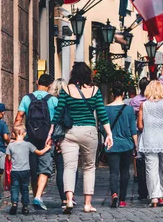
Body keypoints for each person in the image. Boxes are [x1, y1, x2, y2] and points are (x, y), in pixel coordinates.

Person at [49, 62, 113, 214]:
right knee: (89, 167)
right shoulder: (95, 90)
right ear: (88, 74)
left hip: (70, 132)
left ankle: (69, 199)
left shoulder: (66, 89)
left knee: (69, 167)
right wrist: (109, 134)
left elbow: (58, 113)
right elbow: (102, 114)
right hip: (89, 131)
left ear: (73, 74)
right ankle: (87, 204)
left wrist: (50, 132)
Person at [13, 73, 57, 210]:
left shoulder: (27, 98)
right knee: (44, 168)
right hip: (47, 139)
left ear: (37, 82)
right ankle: (38, 196)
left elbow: (19, 118)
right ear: (50, 85)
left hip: (30, 139)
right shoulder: (53, 100)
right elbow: (57, 121)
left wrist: (15, 136)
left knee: (32, 169)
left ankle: (34, 195)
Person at [137, 80, 163, 207]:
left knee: (151, 169)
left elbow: (140, 126)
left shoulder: (144, 105)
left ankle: (154, 197)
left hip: (150, 141)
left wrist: (151, 126)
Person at [6, 126, 52, 215]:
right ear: (25, 134)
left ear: (13, 134)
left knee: (14, 188)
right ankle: (25, 207)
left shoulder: (10, 145)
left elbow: (8, 158)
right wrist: (47, 148)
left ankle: (14, 204)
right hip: (25, 171)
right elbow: (39, 152)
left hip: (15, 171)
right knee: (25, 189)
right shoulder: (28, 144)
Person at [105, 82, 138, 208]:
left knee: (113, 172)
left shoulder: (106, 109)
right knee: (125, 172)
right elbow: (133, 130)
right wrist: (136, 145)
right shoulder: (129, 109)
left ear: (112, 93)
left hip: (111, 145)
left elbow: (102, 128)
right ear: (123, 94)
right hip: (126, 145)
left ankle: (114, 194)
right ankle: (123, 199)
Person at [48, 78, 78, 209]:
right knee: (72, 168)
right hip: (69, 137)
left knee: (60, 168)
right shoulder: (68, 101)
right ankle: (70, 195)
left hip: (55, 138)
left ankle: (63, 199)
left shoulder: (49, 101)